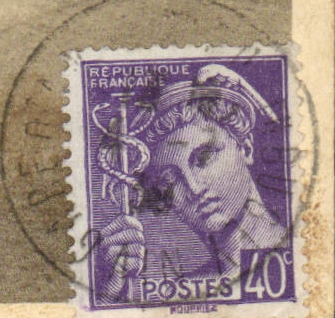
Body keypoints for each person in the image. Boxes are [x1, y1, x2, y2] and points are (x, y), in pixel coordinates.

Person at [97, 64, 288, 301]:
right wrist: (112, 290)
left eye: (204, 157)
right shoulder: (183, 293)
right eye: (170, 181)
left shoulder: (308, 255)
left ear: (246, 148)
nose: (194, 189)